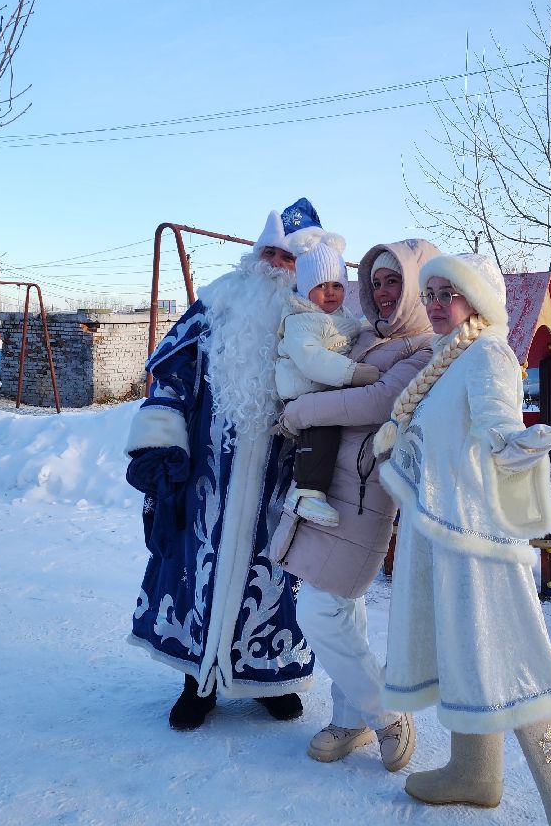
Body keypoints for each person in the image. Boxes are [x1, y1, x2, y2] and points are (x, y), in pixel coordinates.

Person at [373, 251, 551, 826]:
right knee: (463, 656)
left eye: (454, 291)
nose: (442, 301)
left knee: (520, 672)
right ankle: (474, 771)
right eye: (435, 292)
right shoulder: (444, 360)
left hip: (482, 546)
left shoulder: (487, 357)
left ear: (479, 299)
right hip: (444, 541)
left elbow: (498, 425)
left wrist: (518, 446)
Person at [124, 198, 322, 731]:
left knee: (275, 577)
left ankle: (268, 675)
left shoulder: (319, 320)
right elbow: (170, 373)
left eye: (291, 259)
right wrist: (162, 443)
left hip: (283, 478)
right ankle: (199, 680)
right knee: (199, 570)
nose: (279, 267)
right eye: (272, 254)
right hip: (209, 476)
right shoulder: (216, 305)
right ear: (256, 254)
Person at [272, 239, 437, 772]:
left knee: (319, 610)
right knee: (345, 608)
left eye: (395, 282)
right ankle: (351, 719)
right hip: (328, 486)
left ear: (414, 287)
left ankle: (386, 714)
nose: (384, 293)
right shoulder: (364, 335)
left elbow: (376, 402)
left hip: (364, 495)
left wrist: (299, 411)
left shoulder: (425, 349)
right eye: (377, 282)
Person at [274, 236, 380, 527]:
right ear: (306, 289)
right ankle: (306, 493)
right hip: (304, 390)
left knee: (333, 430)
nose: (330, 293)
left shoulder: (340, 315)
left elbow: (352, 330)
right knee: (322, 432)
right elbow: (310, 358)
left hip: (323, 390)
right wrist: (352, 372)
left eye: (336, 285)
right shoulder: (301, 320)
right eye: (320, 286)